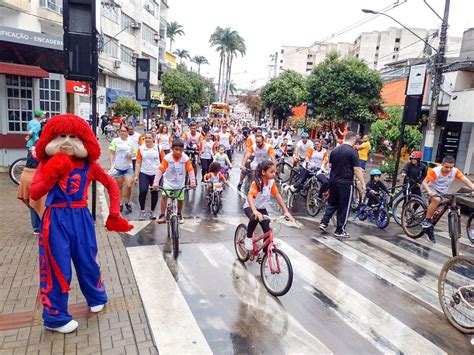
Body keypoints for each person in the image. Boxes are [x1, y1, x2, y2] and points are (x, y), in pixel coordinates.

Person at [320, 131, 366, 238]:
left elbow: (330, 166)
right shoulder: (353, 152)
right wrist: (363, 183)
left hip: (333, 181)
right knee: (344, 206)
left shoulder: (335, 150)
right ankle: (340, 230)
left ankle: (324, 222)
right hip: (345, 183)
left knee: (332, 203)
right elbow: (357, 169)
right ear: (353, 139)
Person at [243, 160, 293, 251]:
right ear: (263, 172)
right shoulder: (257, 183)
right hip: (250, 207)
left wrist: (286, 211)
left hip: (261, 208)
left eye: (275, 172)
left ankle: (266, 252)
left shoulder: (271, 182)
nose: (274, 174)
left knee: (268, 230)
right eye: (271, 172)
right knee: (254, 218)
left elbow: (278, 196)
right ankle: (248, 238)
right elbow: (250, 197)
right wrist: (254, 211)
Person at [421, 155, 474, 236]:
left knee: (444, 202)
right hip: (430, 189)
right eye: (446, 167)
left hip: (442, 192)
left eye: (451, 167)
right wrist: (430, 192)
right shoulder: (435, 171)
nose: (449, 169)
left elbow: (465, 180)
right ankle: (427, 219)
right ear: (442, 164)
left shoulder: (455, 171)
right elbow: (424, 182)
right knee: (437, 200)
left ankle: (432, 215)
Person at [152, 139, 196, 224]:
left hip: (180, 183)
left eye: (180, 150)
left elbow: (190, 170)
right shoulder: (167, 158)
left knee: (180, 198)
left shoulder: (185, 158)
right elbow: (160, 170)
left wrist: (193, 182)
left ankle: (179, 214)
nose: (178, 152)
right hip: (168, 182)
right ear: (172, 149)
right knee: (164, 196)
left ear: (183, 150)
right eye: (176, 149)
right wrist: (155, 182)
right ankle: (162, 215)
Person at [134, 132, 164, 220]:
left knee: (154, 192)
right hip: (144, 173)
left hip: (156, 173)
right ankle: (142, 211)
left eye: (149, 138)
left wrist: (162, 172)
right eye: (145, 138)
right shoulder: (141, 149)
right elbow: (138, 162)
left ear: (153, 139)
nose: (147, 140)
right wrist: (136, 175)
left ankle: (152, 211)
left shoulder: (158, 147)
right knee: (143, 191)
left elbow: (164, 161)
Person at [17, 146, 46, 235]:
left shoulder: (31, 146)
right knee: (42, 203)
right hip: (38, 175)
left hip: (26, 175)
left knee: (32, 202)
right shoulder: (46, 147)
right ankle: (43, 225)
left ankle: (36, 227)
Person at [109, 125, 137, 213]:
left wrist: (130, 155)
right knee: (119, 186)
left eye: (124, 131)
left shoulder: (131, 142)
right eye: (121, 131)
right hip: (118, 167)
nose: (122, 132)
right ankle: (120, 203)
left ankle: (127, 202)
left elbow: (134, 153)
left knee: (128, 186)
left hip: (128, 167)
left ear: (127, 133)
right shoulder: (115, 141)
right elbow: (112, 153)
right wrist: (111, 165)